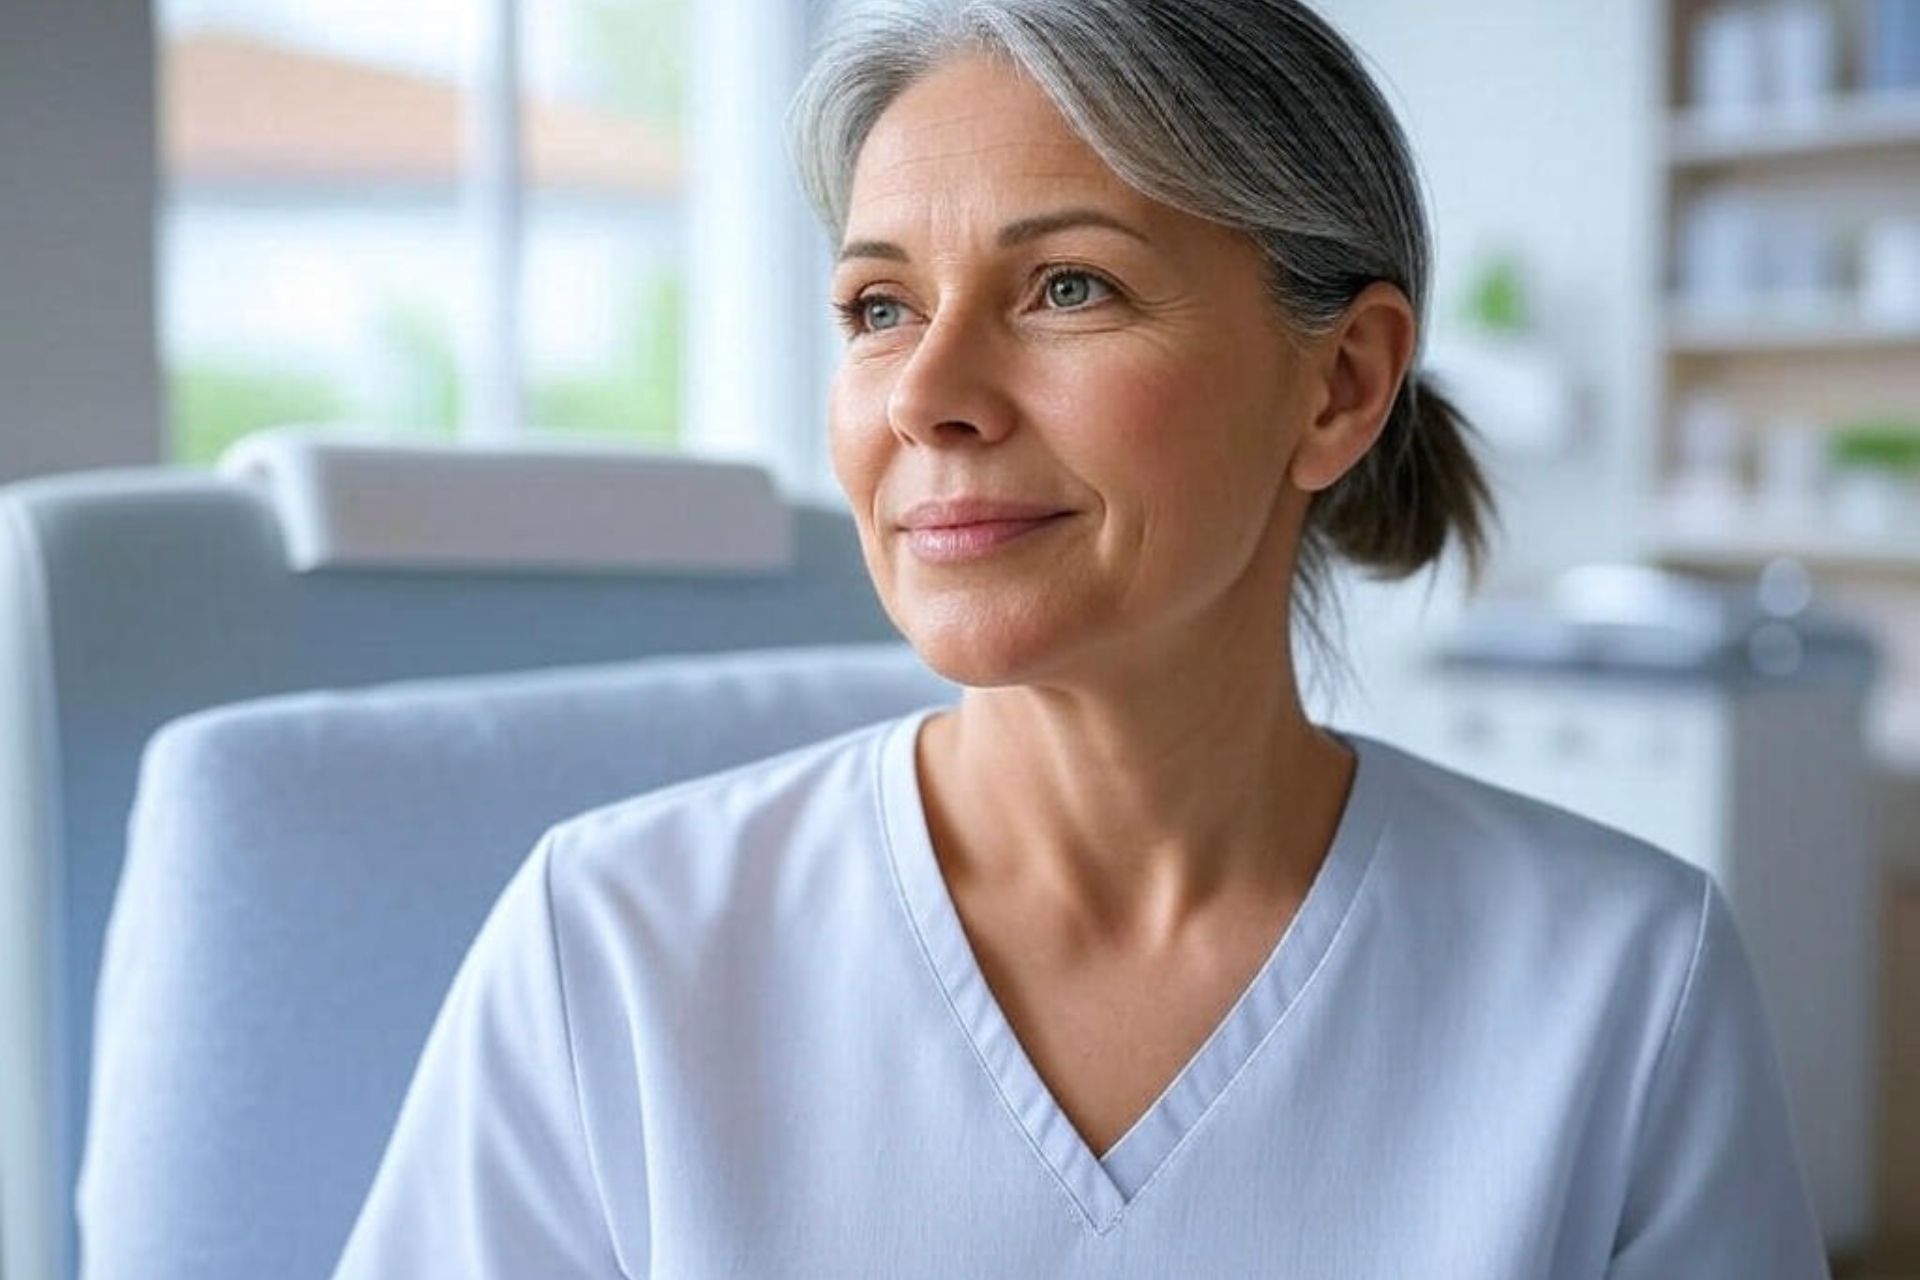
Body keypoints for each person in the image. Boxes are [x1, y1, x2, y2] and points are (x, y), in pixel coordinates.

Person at [332, 1, 1829, 1276]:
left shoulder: (1627, 986)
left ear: (1340, 386)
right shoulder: (610, 948)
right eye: (877, 307)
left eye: (1068, 288)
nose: (927, 395)